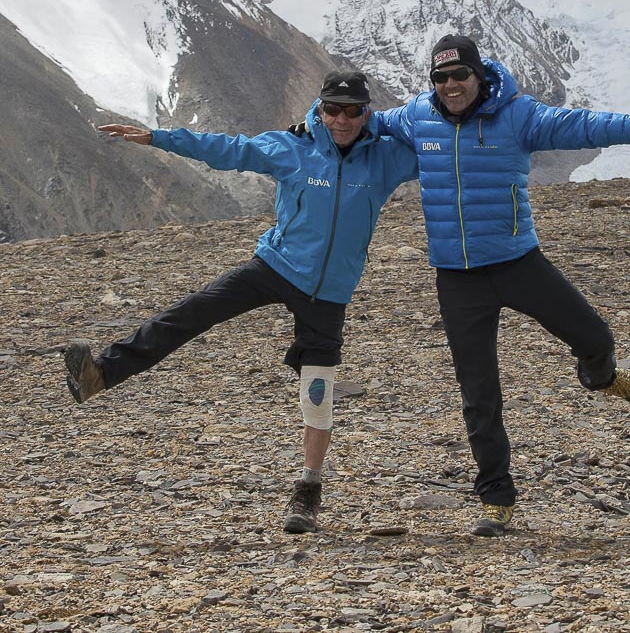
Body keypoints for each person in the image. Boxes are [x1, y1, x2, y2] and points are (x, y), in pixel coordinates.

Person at [368, 34, 630, 536]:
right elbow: (358, 120)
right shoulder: (416, 116)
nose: (450, 86)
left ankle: (599, 376)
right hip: (457, 277)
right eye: (440, 78)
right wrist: (312, 120)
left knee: (593, 335)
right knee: (478, 391)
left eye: (459, 75)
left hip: (516, 262)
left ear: (478, 75)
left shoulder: (517, 115)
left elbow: (582, 125)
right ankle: (496, 498)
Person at [63, 70, 418, 535]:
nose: (342, 119)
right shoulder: (292, 148)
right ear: (320, 107)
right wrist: (157, 138)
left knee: (317, 392)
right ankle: (101, 373)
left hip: (330, 292)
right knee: (192, 312)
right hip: (275, 266)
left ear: (367, 112)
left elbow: (443, 145)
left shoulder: (387, 158)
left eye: (353, 110)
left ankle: (307, 492)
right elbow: (228, 150)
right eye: (333, 108)